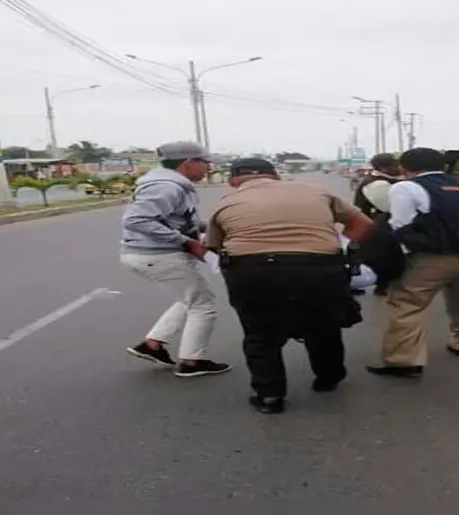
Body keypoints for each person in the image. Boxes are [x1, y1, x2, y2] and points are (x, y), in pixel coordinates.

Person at [205, 158, 374, 414]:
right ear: (276, 175)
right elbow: (364, 224)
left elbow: (216, 246)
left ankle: (270, 396)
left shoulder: (227, 202)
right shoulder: (315, 190)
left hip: (254, 270)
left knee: (260, 334)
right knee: (323, 326)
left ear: (233, 180)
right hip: (319, 266)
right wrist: (340, 246)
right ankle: (329, 378)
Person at [366, 147, 459, 378]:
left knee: (405, 303)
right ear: (444, 167)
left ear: (404, 168)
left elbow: (401, 226)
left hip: (436, 259)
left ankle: (403, 361)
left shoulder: (405, 187)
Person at [119, 141, 231, 378]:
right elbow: (137, 221)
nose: (208, 168)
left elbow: (178, 219)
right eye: (205, 162)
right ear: (188, 162)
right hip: (159, 254)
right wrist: (186, 241)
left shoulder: (172, 185)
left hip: (151, 253)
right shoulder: (166, 187)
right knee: (203, 305)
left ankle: (152, 344)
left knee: (190, 298)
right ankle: (192, 361)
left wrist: (215, 228)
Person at [353, 153, 402, 218]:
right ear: (383, 169)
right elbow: (391, 208)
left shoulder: (385, 179)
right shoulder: (377, 185)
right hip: (373, 225)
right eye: (396, 166)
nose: (400, 168)